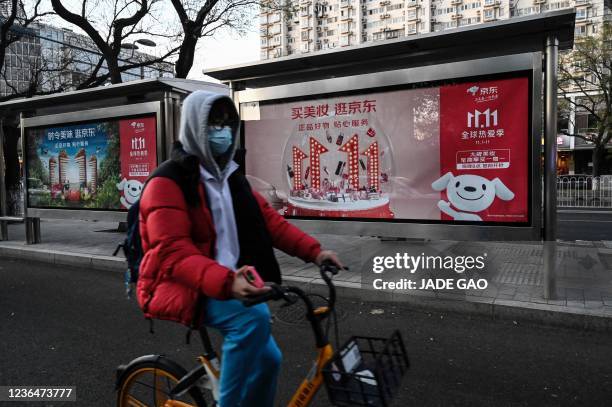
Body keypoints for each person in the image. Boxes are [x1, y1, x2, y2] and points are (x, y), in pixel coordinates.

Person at [136, 90, 343, 407]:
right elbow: (172, 252)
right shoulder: (167, 182)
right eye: (213, 124)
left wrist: (315, 252)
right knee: (251, 321)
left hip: (228, 279)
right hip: (180, 283)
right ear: (194, 127)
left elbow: (272, 225)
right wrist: (225, 281)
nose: (222, 132)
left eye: (227, 124)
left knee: (269, 360)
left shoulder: (231, 178)